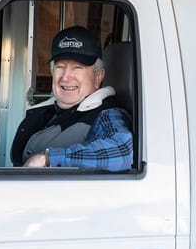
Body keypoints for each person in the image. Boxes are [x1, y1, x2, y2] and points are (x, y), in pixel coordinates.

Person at [11, 25, 133, 171]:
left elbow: (122, 151)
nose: (66, 77)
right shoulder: (44, 111)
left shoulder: (107, 113)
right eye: (60, 66)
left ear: (98, 77)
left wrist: (48, 158)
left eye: (77, 67)